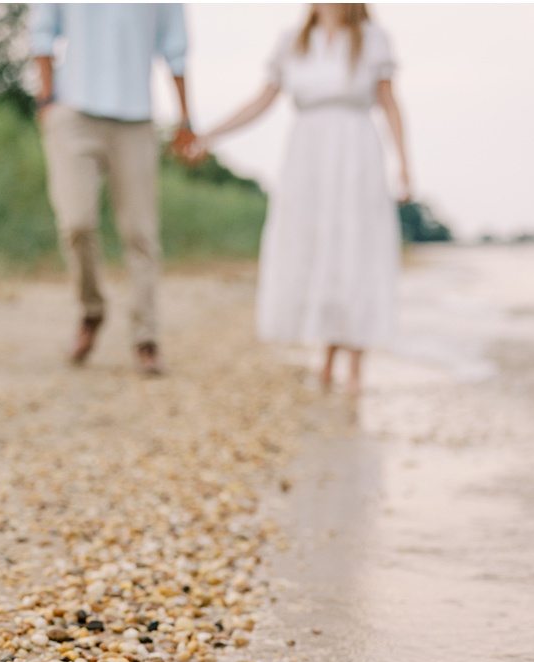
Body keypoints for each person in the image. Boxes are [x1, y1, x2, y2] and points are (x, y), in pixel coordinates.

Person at [192, 3, 412, 397]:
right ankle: (326, 359)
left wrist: (405, 165)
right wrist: (210, 134)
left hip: (356, 155)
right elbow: (261, 100)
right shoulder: (292, 41)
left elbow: (390, 103)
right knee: (316, 250)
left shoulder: (372, 40)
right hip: (307, 158)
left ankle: (355, 367)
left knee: (355, 250)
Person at [30, 3, 197, 375]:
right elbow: (42, 30)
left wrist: (185, 118)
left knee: (140, 232)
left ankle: (145, 337)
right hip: (74, 111)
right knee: (76, 223)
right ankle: (91, 311)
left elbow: (175, 48)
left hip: (135, 119)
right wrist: (46, 99)